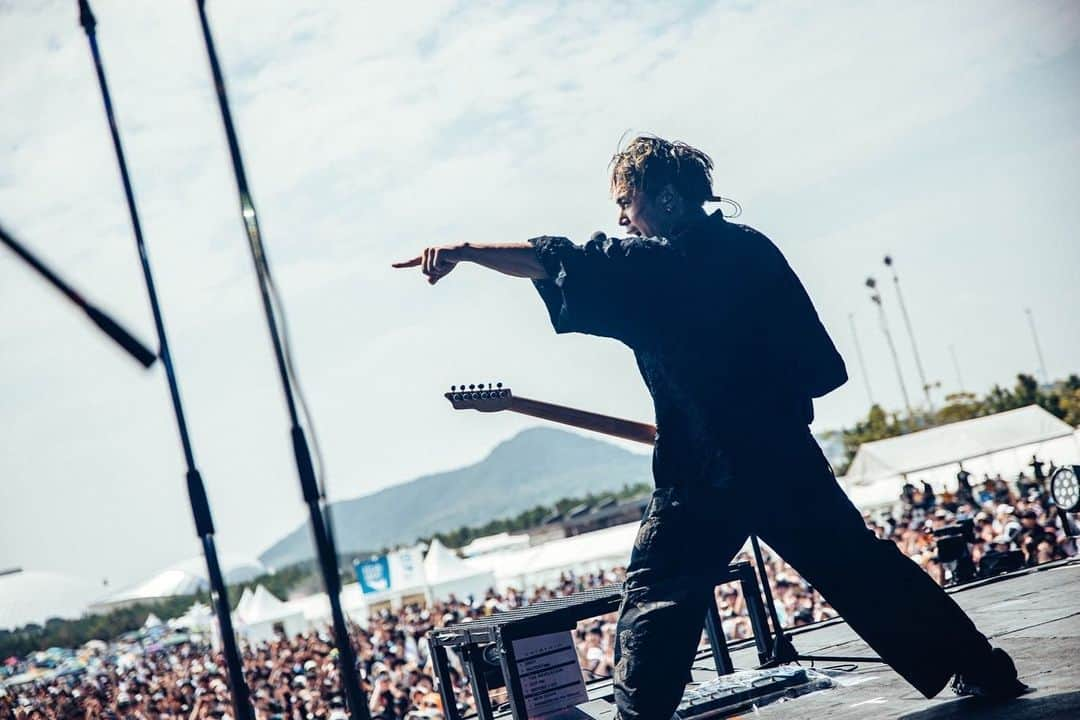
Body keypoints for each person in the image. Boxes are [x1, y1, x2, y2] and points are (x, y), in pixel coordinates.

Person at [393, 135, 1027, 718]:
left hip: (702, 474)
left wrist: (468, 251)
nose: (622, 218)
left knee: (658, 593)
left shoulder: (652, 266)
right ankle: (983, 667)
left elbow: (558, 260)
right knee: (863, 568)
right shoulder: (753, 250)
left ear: (665, 198)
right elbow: (818, 368)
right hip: (783, 457)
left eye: (627, 201)